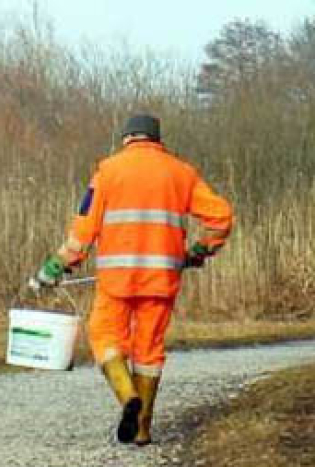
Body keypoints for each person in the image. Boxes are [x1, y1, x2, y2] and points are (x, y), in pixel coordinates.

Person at [32, 114, 233, 446]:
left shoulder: (108, 171)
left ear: (126, 139)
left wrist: (58, 264)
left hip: (117, 279)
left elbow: (84, 229)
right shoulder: (182, 173)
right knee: (149, 350)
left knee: (103, 334)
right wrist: (198, 251)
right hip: (162, 278)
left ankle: (128, 399)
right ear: (157, 140)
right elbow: (222, 218)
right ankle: (142, 429)